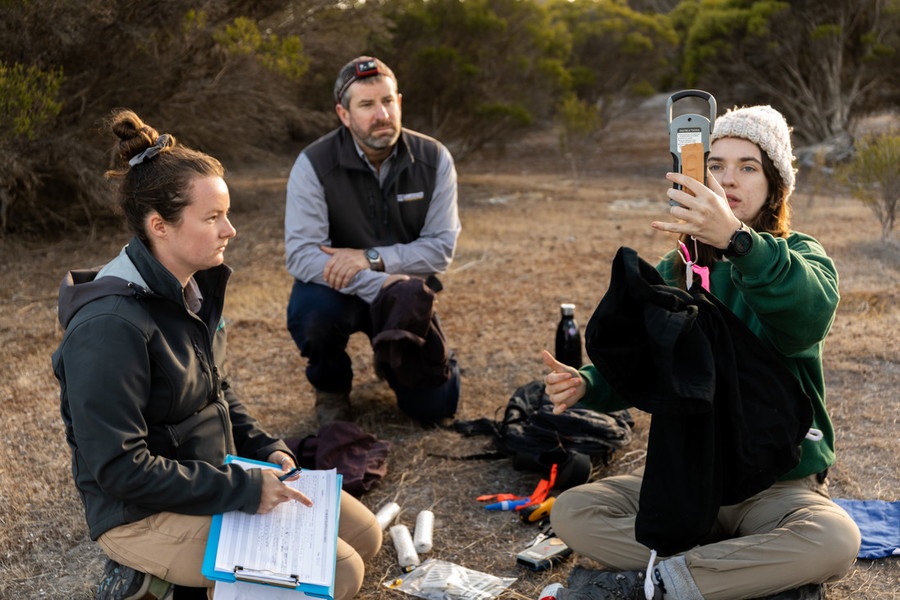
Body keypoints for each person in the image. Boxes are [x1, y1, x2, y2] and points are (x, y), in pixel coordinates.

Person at [52, 109, 381, 600]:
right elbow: (119, 470)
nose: (230, 230)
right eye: (212, 218)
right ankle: (148, 578)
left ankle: (194, 581)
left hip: (210, 476)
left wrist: (265, 450)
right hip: (141, 511)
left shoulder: (193, 284)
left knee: (365, 535)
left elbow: (215, 391)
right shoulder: (108, 327)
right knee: (341, 573)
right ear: (159, 225)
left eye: (226, 213)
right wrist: (245, 491)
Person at [540, 106, 861, 600]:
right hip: (694, 478)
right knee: (573, 512)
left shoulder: (799, 256)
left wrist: (737, 242)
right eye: (715, 165)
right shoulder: (677, 270)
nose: (727, 179)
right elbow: (648, 361)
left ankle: (658, 581)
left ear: (775, 186)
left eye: (747, 167)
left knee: (836, 541)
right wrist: (588, 384)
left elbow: (805, 321)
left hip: (777, 483)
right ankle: (731, 571)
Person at [285, 56, 462, 426]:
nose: (381, 114)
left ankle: (404, 359)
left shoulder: (434, 159)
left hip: (403, 292)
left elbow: (440, 249)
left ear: (400, 102)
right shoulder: (313, 164)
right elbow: (302, 255)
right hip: (339, 292)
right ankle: (331, 389)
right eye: (366, 105)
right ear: (344, 114)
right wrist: (379, 283)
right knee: (312, 313)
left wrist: (369, 258)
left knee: (435, 410)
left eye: (387, 101)